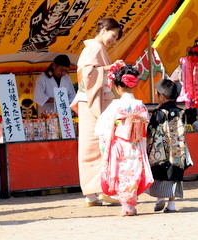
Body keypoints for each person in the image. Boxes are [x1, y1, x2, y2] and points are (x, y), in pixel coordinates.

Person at [70, 18, 123, 206]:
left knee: (93, 147)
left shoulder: (96, 48)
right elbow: (88, 75)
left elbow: (92, 74)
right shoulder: (95, 48)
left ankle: (93, 194)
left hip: (91, 102)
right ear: (104, 30)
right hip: (92, 103)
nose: (113, 40)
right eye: (113, 35)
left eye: (116, 38)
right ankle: (101, 190)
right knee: (98, 146)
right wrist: (111, 68)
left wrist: (109, 69)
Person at [95, 63, 153, 216]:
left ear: (118, 87)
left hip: (119, 146)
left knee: (121, 173)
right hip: (135, 146)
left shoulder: (115, 105)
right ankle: (130, 205)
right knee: (133, 173)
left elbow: (102, 126)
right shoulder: (140, 105)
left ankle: (126, 206)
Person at [147, 79, 191, 213]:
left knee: (159, 173)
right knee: (174, 175)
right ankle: (171, 205)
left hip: (160, 151)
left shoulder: (158, 113)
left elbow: (150, 131)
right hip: (177, 151)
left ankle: (160, 198)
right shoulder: (182, 112)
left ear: (161, 95)